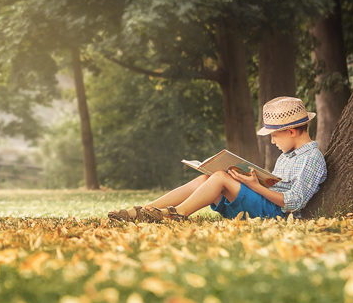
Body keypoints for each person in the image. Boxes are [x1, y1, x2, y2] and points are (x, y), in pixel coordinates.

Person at [108, 95, 327, 222]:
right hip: (264, 202)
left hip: (275, 213)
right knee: (207, 178)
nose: (272, 142)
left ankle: (176, 215)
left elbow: (294, 202)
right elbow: (275, 186)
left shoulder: (311, 159)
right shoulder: (287, 157)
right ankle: (144, 211)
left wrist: (254, 186)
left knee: (221, 177)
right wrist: (252, 180)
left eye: (274, 136)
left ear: (290, 131)